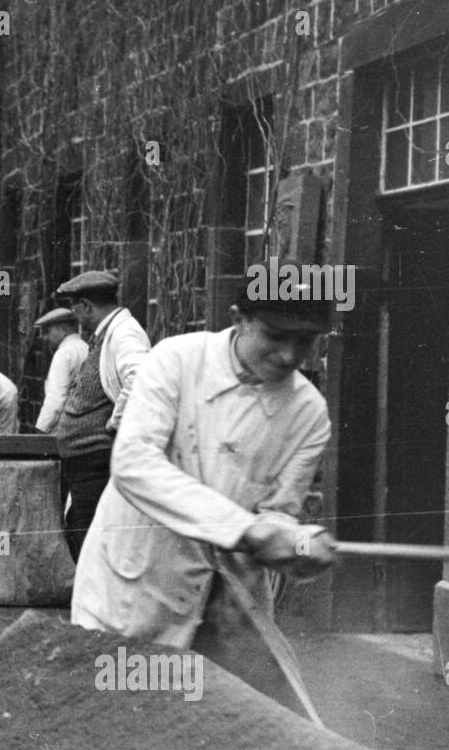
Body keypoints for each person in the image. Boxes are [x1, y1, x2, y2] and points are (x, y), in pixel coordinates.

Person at [70, 286, 337, 714]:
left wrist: (298, 544)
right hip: (134, 583)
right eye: (274, 335)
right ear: (239, 318)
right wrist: (244, 529)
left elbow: (279, 513)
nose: (289, 356)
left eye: (304, 342)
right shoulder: (176, 361)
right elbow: (134, 463)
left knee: (218, 733)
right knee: (116, 718)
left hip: (226, 602)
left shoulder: (308, 413)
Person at [53, 271, 151, 559]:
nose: (75, 315)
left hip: (97, 458)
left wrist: (115, 422)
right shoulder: (108, 333)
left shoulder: (125, 332)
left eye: (74, 307)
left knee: (93, 541)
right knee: (81, 532)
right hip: (86, 459)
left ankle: (93, 603)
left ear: (86, 305)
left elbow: (140, 376)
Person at [33, 307, 88, 434]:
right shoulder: (85, 347)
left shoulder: (63, 353)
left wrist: (41, 430)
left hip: (65, 427)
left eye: (48, 331)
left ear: (63, 330)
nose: (45, 337)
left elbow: (55, 400)